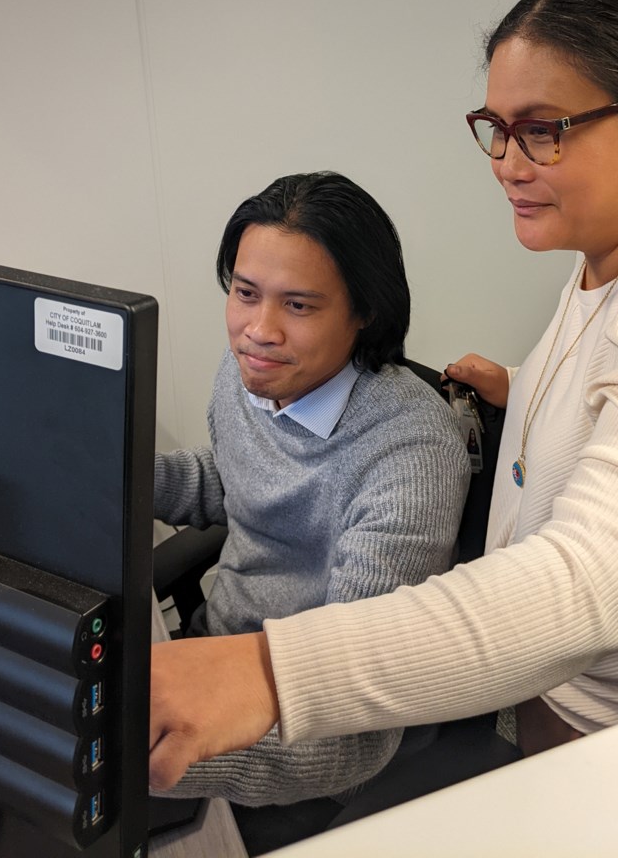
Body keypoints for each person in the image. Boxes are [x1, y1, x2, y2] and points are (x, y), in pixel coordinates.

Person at [148, 0, 618, 790]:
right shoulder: (614, 257)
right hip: (571, 722)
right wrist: (529, 392)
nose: (509, 162)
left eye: (544, 130)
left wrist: (269, 675)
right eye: (496, 129)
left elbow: (594, 583)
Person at [151, 170, 470, 804]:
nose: (259, 330)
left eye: (298, 305)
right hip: (215, 654)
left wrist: (162, 764)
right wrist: (116, 476)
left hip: (294, 737)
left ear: (364, 312)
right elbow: (236, 483)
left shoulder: (410, 454)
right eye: (245, 292)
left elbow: (354, 723)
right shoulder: (252, 370)